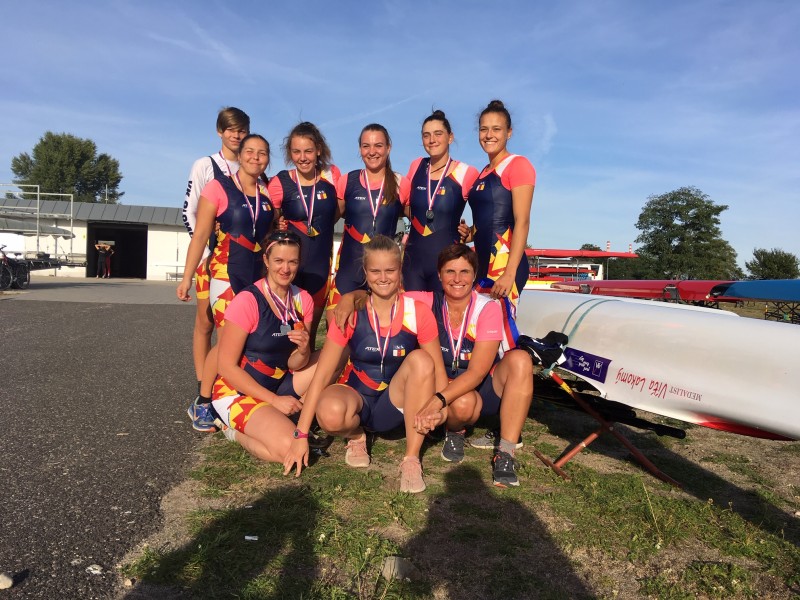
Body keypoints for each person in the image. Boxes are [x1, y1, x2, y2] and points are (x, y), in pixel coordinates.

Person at [334, 243, 534, 487]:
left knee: (521, 360)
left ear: (474, 275)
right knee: (462, 403)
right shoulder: (426, 301)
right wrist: (350, 297)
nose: (457, 279)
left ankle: (506, 452)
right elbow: (382, 293)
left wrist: (438, 400)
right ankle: (454, 431)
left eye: (465, 272)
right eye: (450, 271)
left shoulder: (487, 307)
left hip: (477, 385)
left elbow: (477, 372)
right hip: (445, 386)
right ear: (439, 275)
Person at [285, 235, 445, 493]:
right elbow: (322, 374)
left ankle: (411, 459)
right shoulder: (349, 311)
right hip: (357, 396)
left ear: (400, 270)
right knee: (329, 412)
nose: (383, 278)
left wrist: (442, 411)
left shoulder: (417, 311)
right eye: (375, 271)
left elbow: (437, 370)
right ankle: (356, 435)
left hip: (396, 404)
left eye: (390, 270)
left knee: (422, 360)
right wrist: (301, 434)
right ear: (365, 272)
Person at [177, 133, 276, 431]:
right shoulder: (218, 187)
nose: (255, 157)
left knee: (245, 339)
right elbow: (200, 236)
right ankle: (203, 402)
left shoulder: (267, 194)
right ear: (240, 155)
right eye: (250, 151)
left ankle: (230, 396)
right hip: (224, 273)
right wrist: (187, 277)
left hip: (257, 275)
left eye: (262, 153)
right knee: (227, 340)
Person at [212, 230, 318, 468]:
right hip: (237, 392)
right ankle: (232, 431)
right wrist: (274, 401)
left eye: (292, 262)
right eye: (279, 260)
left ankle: (289, 415)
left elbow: (294, 363)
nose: (285, 269)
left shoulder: (304, 299)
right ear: (266, 261)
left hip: (280, 382)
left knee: (330, 358)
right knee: (289, 448)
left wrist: (303, 351)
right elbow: (225, 366)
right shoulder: (247, 300)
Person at [181, 107, 250, 430]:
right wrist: (206, 254)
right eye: (231, 129)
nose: (236, 135)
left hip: (241, 263)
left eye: (242, 130)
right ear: (220, 131)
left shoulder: (253, 166)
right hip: (210, 260)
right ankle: (203, 390)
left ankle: (217, 389)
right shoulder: (205, 165)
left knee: (231, 328)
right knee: (205, 323)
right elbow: (190, 212)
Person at [268, 122, 341, 344]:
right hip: (288, 269)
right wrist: (278, 224)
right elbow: (268, 221)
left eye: (308, 151)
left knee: (308, 336)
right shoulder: (281, 181)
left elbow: (338, 212)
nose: (302, 158)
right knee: (282, 334)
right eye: (296, 151)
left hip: (320, 268)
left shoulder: (332, 175)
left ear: (318, 150)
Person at [462, 99, 535, 322]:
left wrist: (509, 273)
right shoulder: (483, 172)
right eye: (483, 129)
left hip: (504, 264)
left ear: (508, 133)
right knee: (479, 329)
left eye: (496, 129)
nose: (489, 135)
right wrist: (468, 234)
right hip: (481, 263)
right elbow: (488, 221)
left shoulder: (518, 165)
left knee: (498, 332)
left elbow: (522, 221)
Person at [327, 124, 410, 309]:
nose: (372, 152)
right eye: (366, 146)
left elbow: (421, 219)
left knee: (380, 327)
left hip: (384, 276)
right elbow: (327, 219)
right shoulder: (347, 180)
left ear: (388, 148)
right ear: (360, 149)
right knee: (337, 324)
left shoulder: (401, 183)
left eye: (378, 145)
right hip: (348, 273)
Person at [403, 110, 478, 292]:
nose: (432, 140)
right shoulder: (416, 166)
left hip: (448, 265)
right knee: (413, 310)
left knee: (442, 311)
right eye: (426, 135)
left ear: (450, 137)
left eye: (438, 134)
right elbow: (406, 206)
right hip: (413, 264)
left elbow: (485, 216)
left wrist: (469, 234)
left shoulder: (466, 172)